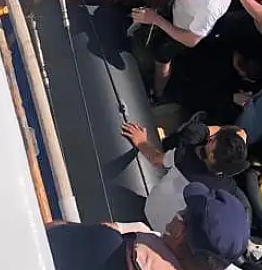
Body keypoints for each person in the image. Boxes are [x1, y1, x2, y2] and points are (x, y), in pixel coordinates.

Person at [45, 182, 251, 270]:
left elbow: (46, 234)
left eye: (184, 210)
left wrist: (108, 232)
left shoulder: (109, 245)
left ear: (179, 232)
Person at [131, 0, 242, 98]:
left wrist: (156, 20)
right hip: (177, 10)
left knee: (162, 58)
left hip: (180, 31)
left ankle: (157, 92)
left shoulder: (210, 6)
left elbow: (191, 40)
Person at [120, 112, 249, 232]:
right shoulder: (226, 189)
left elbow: (155, 159)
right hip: (170, 234)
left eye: (213, 139)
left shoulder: (184, 156)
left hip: (150, 210)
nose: (210, 139)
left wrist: (141, 141)